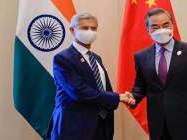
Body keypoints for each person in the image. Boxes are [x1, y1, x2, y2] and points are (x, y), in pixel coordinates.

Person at [128, 8, 187, 140]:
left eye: (165, 25)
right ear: (147, 29)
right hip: (157, 123)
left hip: (184, 122)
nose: (161, 30)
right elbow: (140, 86)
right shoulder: (141, 56)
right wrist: (132, 97)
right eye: (155, 26)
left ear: (173, 25)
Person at [50, 12, 135, 140]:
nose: (90, 31)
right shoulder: (62, 58)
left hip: (100, 125)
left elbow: (103, 89)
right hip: (74, 127)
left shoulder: (96, 58)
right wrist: (118, 97)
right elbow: (79, 91)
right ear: (72, 30)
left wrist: (120, 97)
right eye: (85, 28)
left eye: (93, 28)